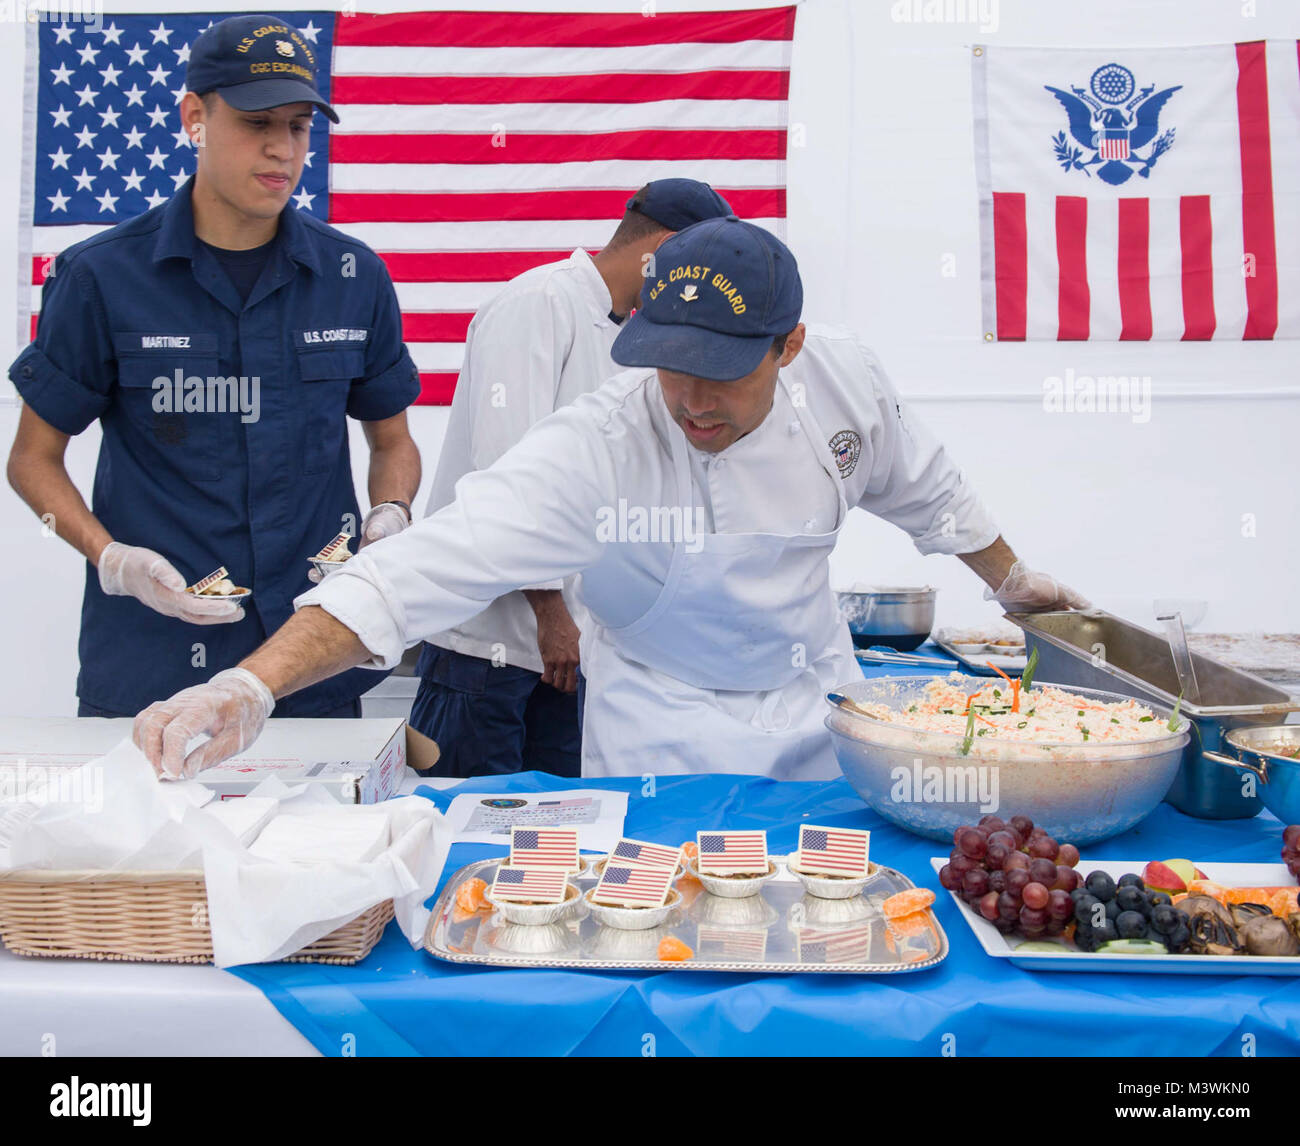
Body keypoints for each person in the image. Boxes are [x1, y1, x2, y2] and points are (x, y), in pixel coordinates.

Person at [133, 217, 1086, 780]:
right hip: (656, 732)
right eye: (670, 364)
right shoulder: (599, 444)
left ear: (787, 347)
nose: (691, 399)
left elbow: (935, 492)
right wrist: (248, 684)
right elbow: (414, 572)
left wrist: (1014, 584)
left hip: (811, 712)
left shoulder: (844, 381)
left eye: (719, 371)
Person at [6, 15, 421, 719]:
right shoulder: (102, 278)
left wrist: (392, 512)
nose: (282, 149)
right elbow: (31, 463)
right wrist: (112, 560)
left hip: (307, 660)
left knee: (321, 835)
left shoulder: (353, 276)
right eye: (257, 121)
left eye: (298, 126)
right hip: (152, 664)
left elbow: (392, 440)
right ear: (195, 116)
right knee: (149, 834)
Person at [411, 179, 733, 777]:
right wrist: (550, 611)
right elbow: (509, 479)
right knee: (467, 834)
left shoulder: (626, 337)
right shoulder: (538, 303)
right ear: (662, 249)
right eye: (699, 270)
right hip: (488, 650)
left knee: (555, 842)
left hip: (566, 650)